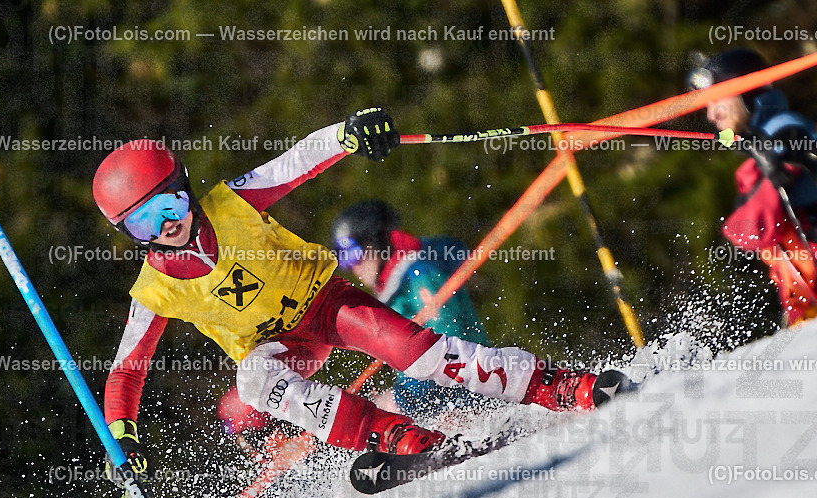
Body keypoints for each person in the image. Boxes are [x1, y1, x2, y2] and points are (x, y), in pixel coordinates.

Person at [94, 108, 627, 479]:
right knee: (254, 381)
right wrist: (124, 437)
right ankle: (396, 438)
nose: (165, 226)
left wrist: (348, 135)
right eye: (143, 222)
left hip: (327, 306)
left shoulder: (230, 202)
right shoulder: (154, 289)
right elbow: (127, 368)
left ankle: (558, 387)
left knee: (419, 355)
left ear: (185, 187)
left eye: (169, 206)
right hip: (282, 347)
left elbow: (296, 162)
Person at [688, 48, 817, 326]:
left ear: (745, 93)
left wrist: (776, 165)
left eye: (716, 101)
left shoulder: (787, 132)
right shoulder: (763, 150)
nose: (711, 115)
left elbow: (754, 229)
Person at [330, 200, 491, 417]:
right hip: (445, 408)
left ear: (377, 242)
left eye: (354, 253)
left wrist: (398, 401)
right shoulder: (396, 291)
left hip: (472, 403)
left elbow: (450, 348)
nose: (353, 267)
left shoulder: (420, 276)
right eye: (343, 259)